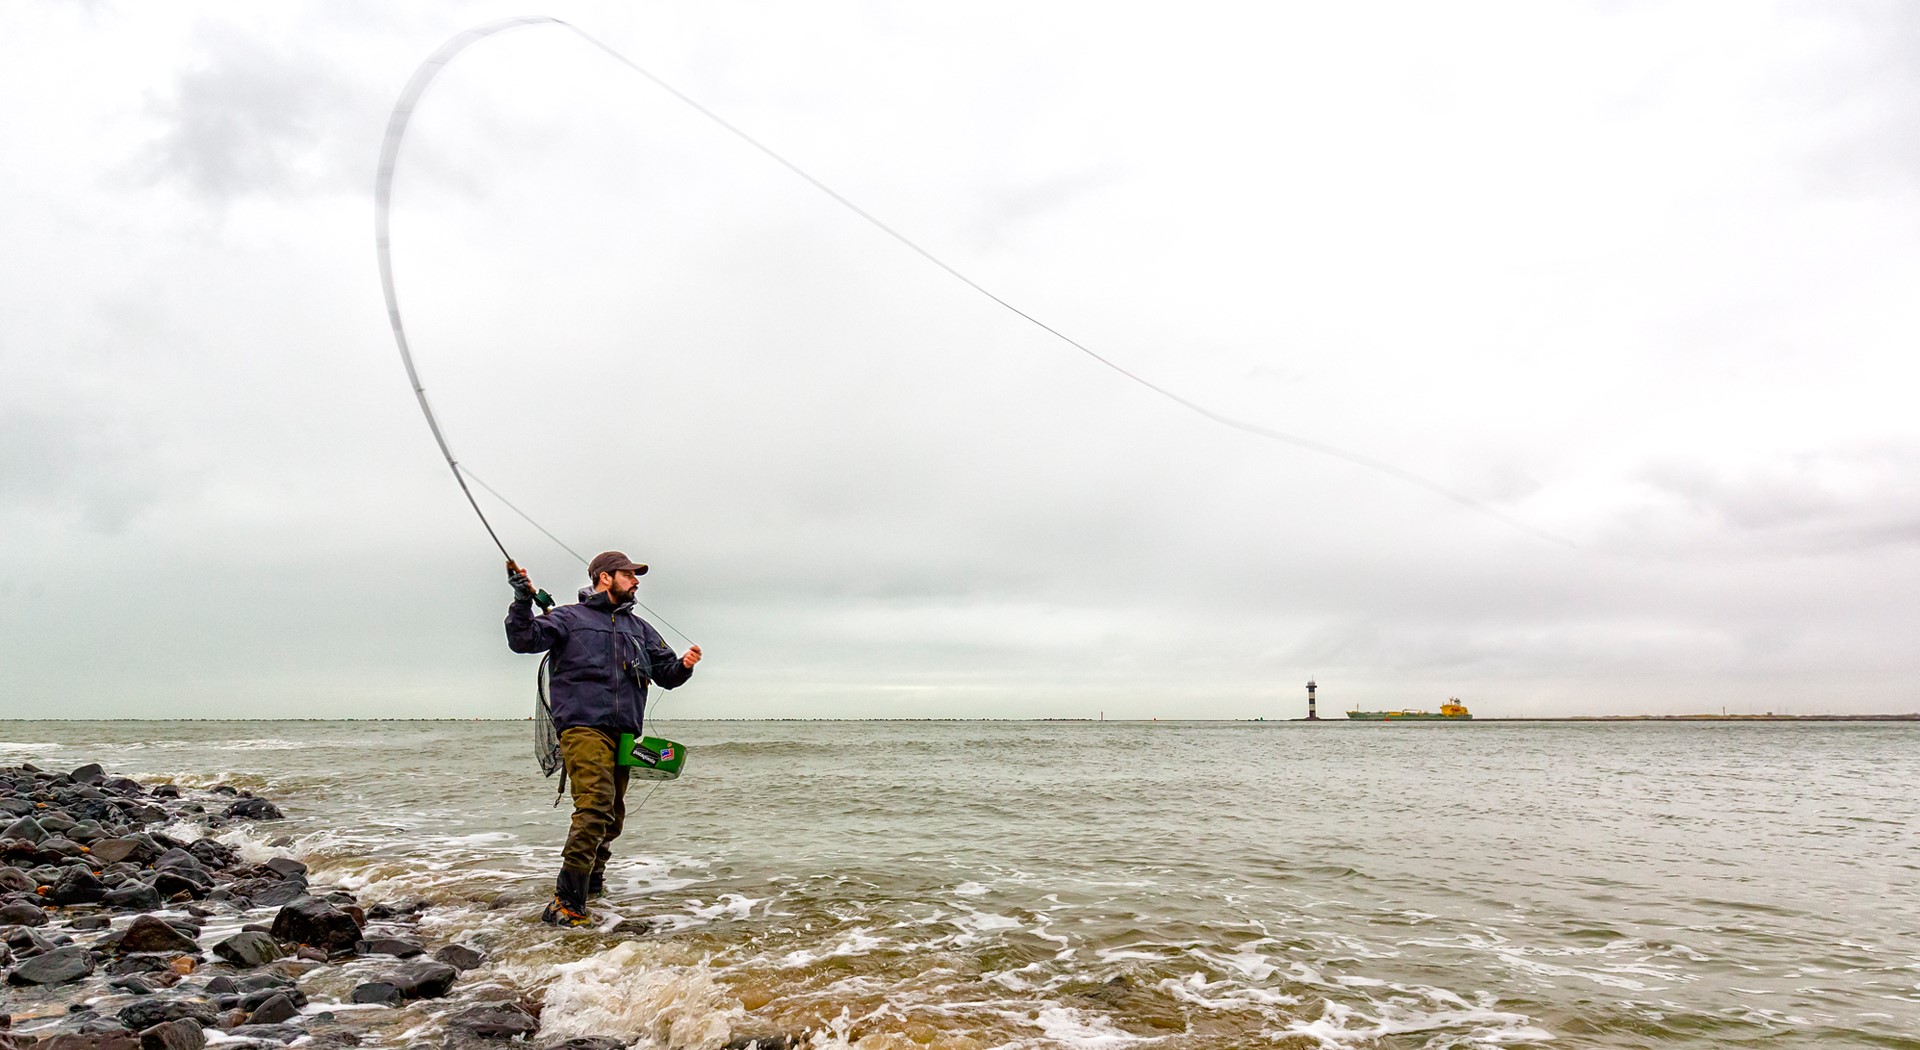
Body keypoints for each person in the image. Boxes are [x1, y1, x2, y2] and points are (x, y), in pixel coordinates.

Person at [505, 550, 702, 927]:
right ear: (605, 578)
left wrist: (685, 666)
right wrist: (520, 600)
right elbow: (523, 639)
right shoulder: (568, 618)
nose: (636, 580)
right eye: (629, 574)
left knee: (612, 817)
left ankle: (593, 885)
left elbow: (668, 676)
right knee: (595, 806)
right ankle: (566, 902)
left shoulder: (640, 629)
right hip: (582, 727)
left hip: (624, 732)